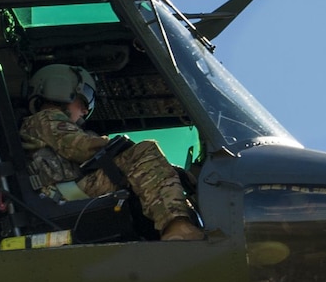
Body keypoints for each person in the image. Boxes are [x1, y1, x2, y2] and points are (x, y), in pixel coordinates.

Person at [20, 63, 205, 240]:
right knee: (144, 151)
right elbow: (80, 147)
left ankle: (185, 223)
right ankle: (177, 228)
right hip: (61, 194)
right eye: (83, 98)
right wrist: (120, 148)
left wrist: (168, 170)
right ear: (59, 88)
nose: (85, 110)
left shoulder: (50, 124)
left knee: (161, 176)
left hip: (70, 189)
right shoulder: (45, 118)